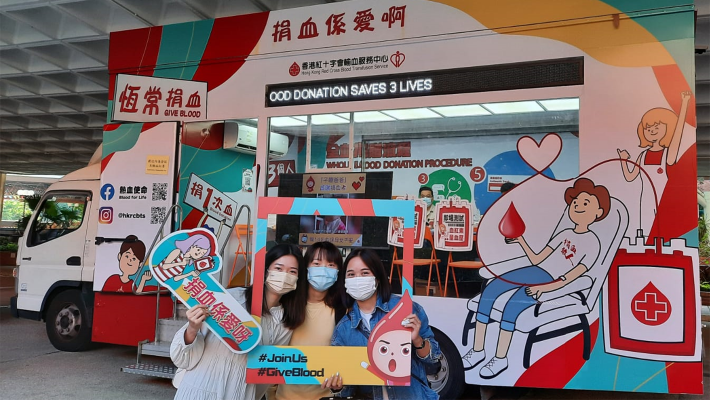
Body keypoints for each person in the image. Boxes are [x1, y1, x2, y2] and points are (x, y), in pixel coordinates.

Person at [462, 178, 610, 379]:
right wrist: (521, 240)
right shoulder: (564, 233)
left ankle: (500, 358)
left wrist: (546, 288)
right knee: (491, 289)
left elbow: (574, 276)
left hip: (553, 281)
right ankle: (478, 350)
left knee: (514, 304)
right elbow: (538, 258)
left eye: (585, 204)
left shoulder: (593, 243)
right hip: (536, 270)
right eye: (575, 203)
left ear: (598, 213)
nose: (578, 207)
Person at [170, 243, 307, 400]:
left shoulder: (284, 321)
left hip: (240, 393)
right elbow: (182, 357)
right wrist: (192, 328)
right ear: (266, 269)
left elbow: (269, 370)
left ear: (298, 278)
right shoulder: (231, 298)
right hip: (200, 389)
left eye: (292, 271)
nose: (284, 275)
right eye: (278, 268)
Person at [327, 248, 442, 400]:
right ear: (345, 281)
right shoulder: (343, 329)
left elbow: (433, 362)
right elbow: (348, 387)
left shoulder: (405, 309)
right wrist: (338, 386)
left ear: (377, 278)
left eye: (365, 273)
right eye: (351, 274)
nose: (357, 278)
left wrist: (417, 340)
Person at [274, 241, 346, 400]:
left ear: (338, 271)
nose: (323, 269)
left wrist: (339, 385)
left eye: (331, 265)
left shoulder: (343, 311)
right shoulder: (286, 304)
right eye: (317, 263)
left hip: (324, 397)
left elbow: (344, 360)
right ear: (306, 267)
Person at [617, 91, 692, 233]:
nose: (652, 131)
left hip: (665, 200)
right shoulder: (643, 154)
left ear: (667, 128)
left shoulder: (668, 154)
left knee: (664, 232)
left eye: (656, 127)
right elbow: (630, 177)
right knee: (645, 234)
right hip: (645, 201)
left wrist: (685, 103)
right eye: (648, 128)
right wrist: (623, 160)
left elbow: (678, 132)